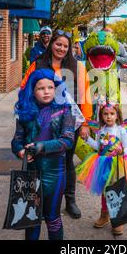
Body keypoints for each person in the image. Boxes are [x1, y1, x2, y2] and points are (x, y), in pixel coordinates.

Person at [21, 30, 93, 219]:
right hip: (41, 120)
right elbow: (25, 88)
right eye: (58, 44)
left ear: (69, 49)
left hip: (69, 121)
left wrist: (85, 123)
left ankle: (69, 200)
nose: (61, 48)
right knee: (41, 158)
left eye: (65, 46)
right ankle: (39, 199)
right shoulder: (37, 64)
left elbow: (85, 95)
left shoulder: (77, 67)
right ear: (51, 44)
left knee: (66, 161)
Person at [11, 68, 75, 240]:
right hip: (31, 173)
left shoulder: (64, 110)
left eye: (50, 87)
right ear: (32, 90)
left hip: (55, 172)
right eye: (41, 88)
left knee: (53, 218)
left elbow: (68, 140)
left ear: (56, 89)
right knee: (31, 219)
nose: (46, 92)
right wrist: (20, 150)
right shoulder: (25, 112)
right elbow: (16, 140)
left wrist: (42, 147)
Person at [76, 101, 127, 236]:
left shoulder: (121, 130)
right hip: (102, 164)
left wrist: (122, 150)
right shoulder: (101, 130)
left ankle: (118, 218)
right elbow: (97, 147)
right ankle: (104, 215)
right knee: (106, 191)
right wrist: (87, 139)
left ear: (117, 116)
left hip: (117, 164)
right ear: (101, 116)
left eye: (112, 114)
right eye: (105, 114)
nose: (109, 117)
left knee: (116, 190)